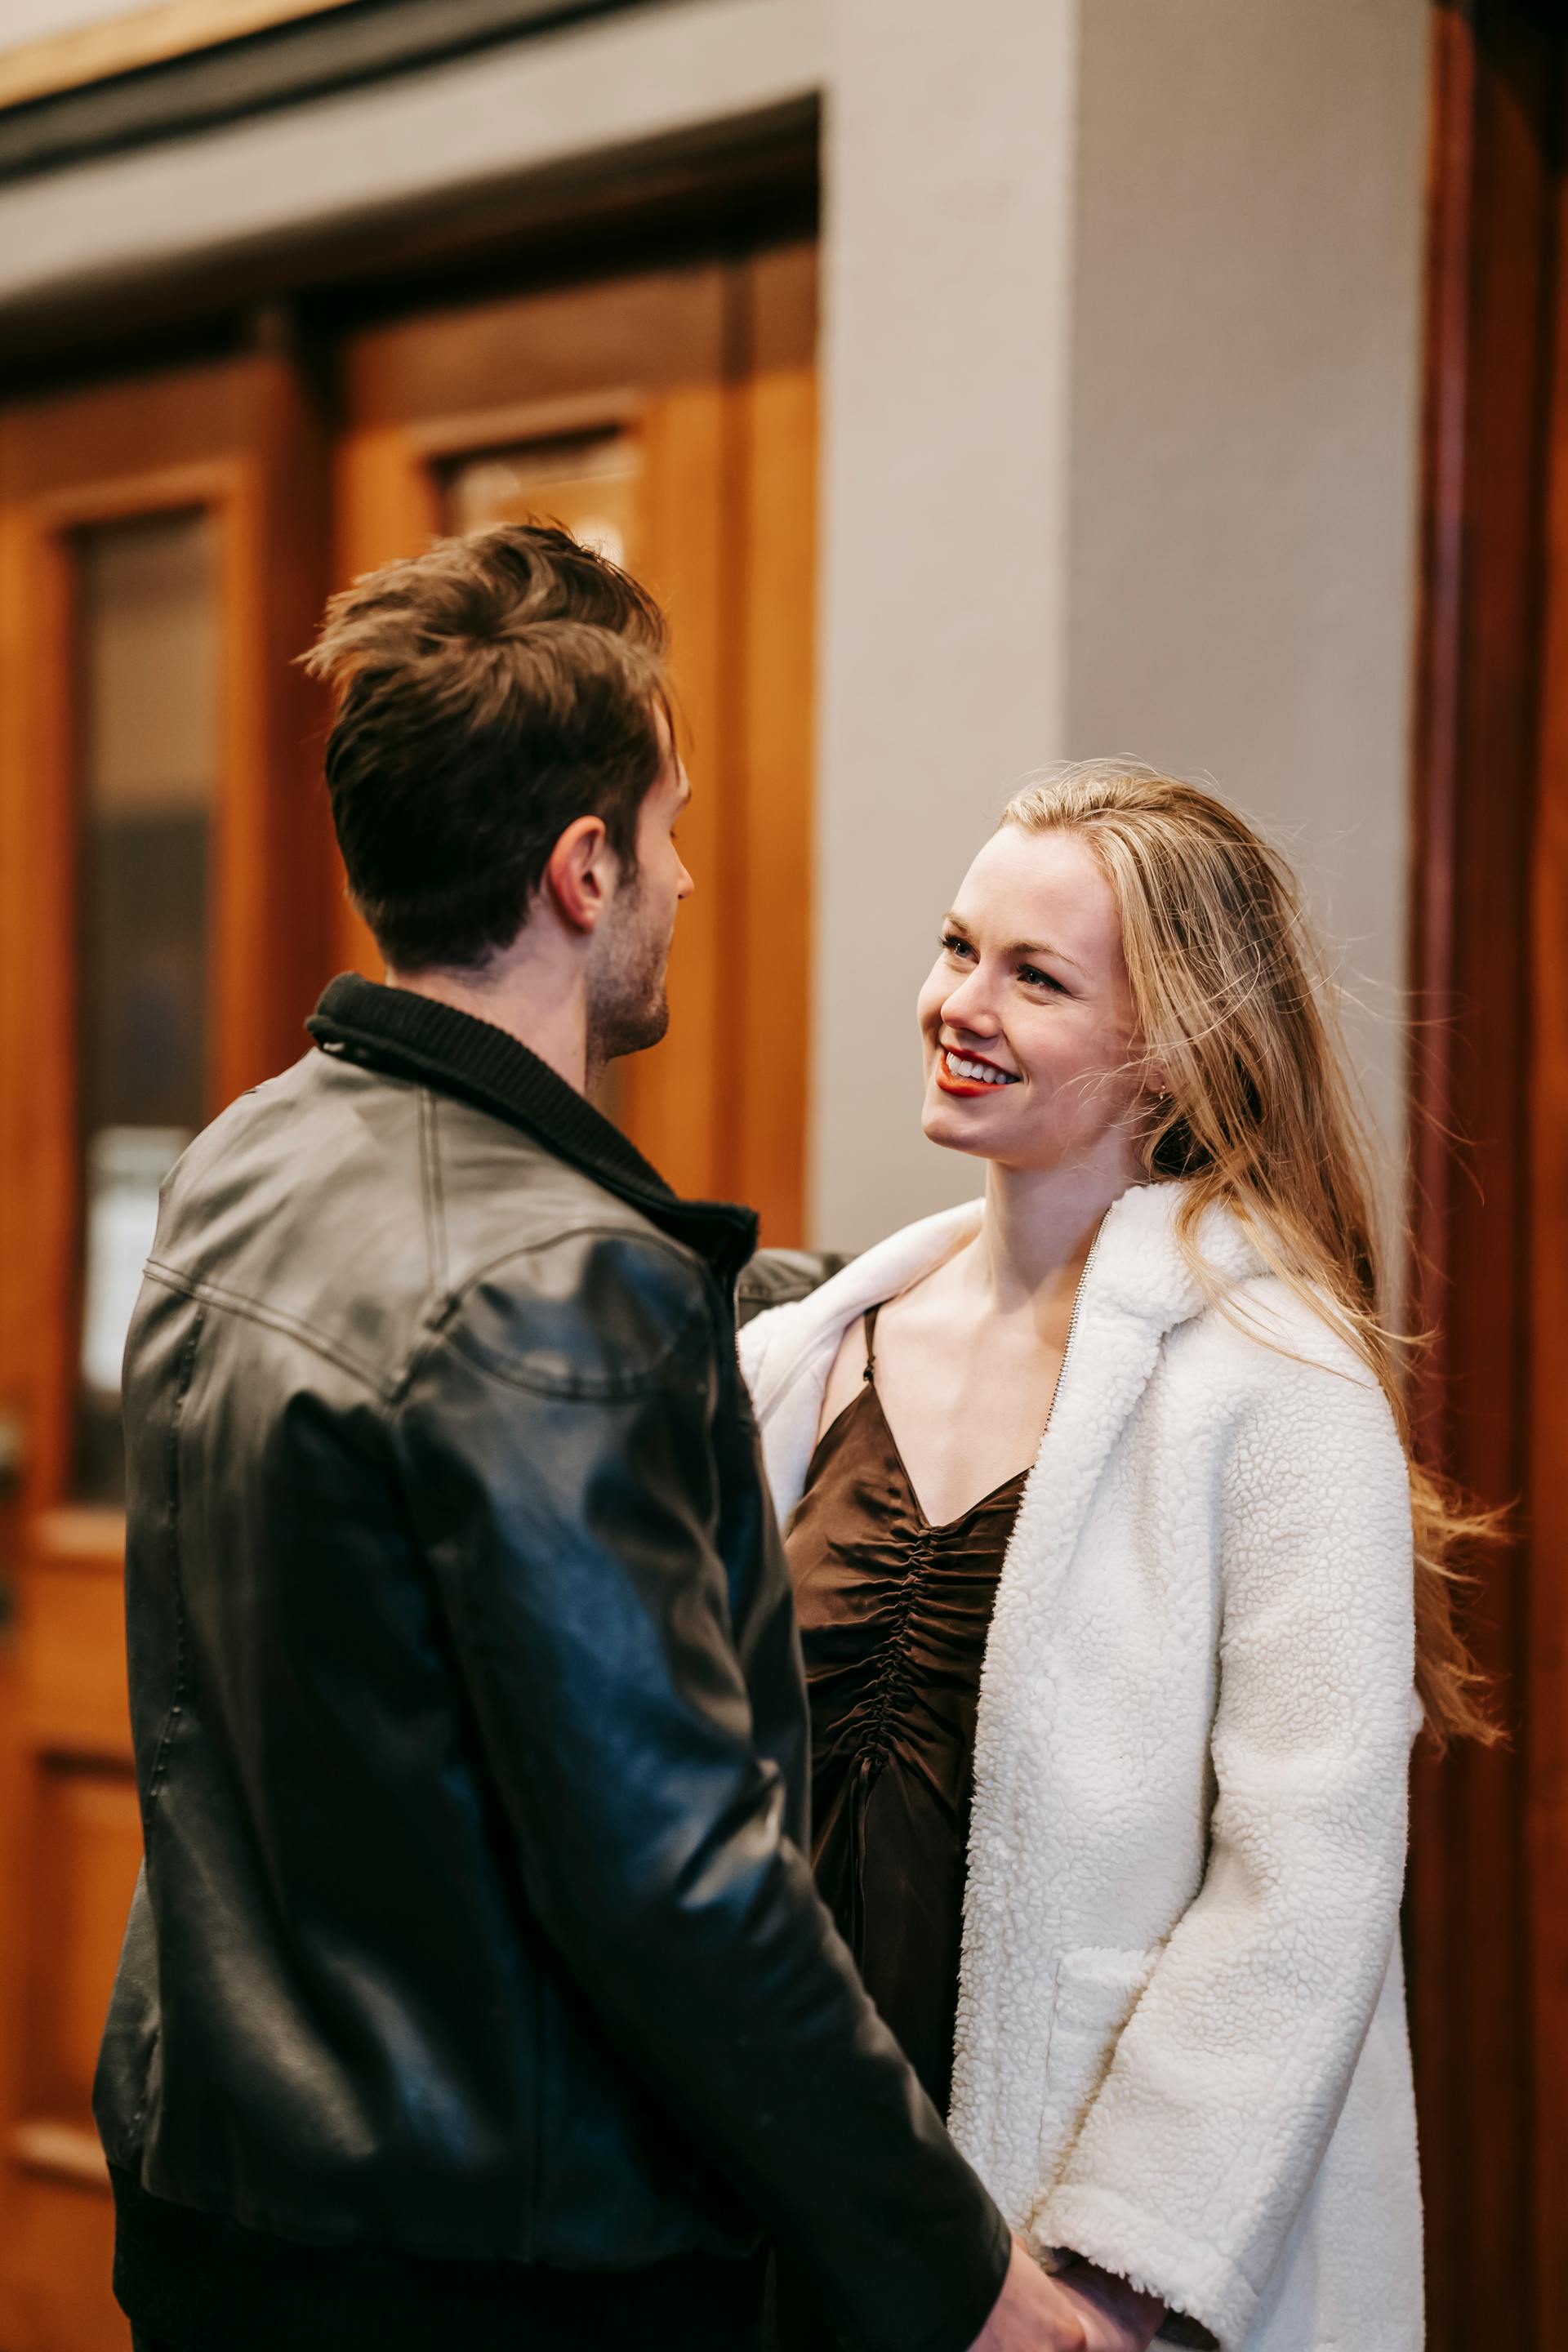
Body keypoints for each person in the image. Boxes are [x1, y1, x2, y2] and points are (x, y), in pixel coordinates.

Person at [92, 527, 1134, 2352]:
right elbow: (678, 1883)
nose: (688, 874)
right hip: (484, 2264)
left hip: (223, 2202)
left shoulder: (243, 1157)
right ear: (584, 871)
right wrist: (965, 2279)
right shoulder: (561, 1290)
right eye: (666, 828)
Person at [741, 763, 1495, 2352]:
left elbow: (1307, 1884)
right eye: (959, 948)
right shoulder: (802, 1362)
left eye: (1035, 976)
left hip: (1073, 2279)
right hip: (789, 2216)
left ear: (1173, 1056)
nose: (960, 1002)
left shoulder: (1275, 1389)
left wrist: (1108, 2280)